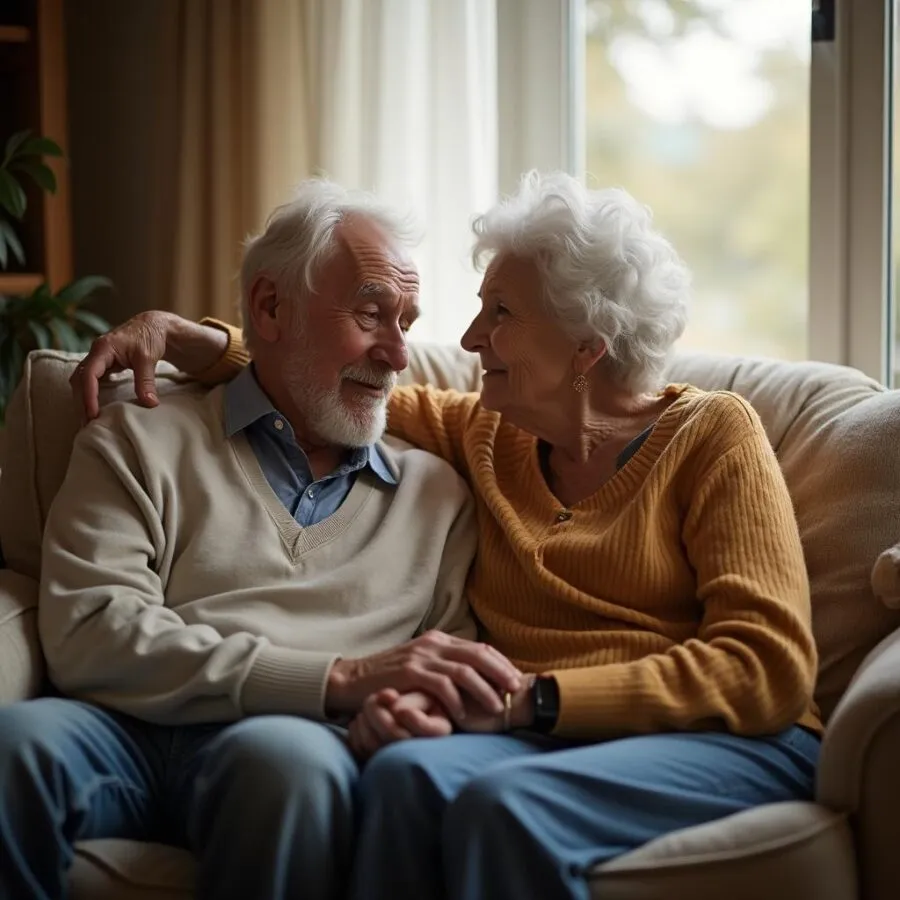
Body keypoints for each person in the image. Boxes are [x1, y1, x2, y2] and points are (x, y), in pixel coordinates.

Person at [73, 171, 822, 900]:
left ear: (585, 346)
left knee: (505, 808)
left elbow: (768, 666)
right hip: (533, 732)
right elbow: (318, 376)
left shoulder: (712, 434)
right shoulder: (489, 434)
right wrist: (181, 335)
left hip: (721, 739)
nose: (469, 337)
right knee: (403, 775)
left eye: (500, 312)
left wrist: (536, 700)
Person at [0, 180, 525, 900]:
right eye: (371, 314)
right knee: (13, 747)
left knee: (286, 767)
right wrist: (337, 678)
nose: (399, 355)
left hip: (294, 739)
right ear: (271, 308)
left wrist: (414, 712)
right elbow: (91, 631)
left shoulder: (437, 494)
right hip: (122, 730)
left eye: (406, 322)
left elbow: (442, 661)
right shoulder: (137, 439)